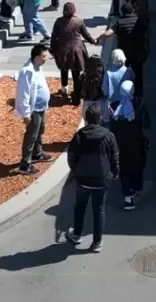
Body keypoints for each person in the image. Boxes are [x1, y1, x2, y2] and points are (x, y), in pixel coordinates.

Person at [64, 104, 118, 252]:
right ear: (100, 119)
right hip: (101, 180)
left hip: (82, 180)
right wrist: (114, 173)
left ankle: (76, 234)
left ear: (86, 119)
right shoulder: (108, 136)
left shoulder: (79, 136)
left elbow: (71, 158)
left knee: (80, 207)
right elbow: (114, 157)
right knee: (99, 209)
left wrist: (76, 171)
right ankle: (97, 242)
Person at [14, 43, 53, 175]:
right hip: (33, 110)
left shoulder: (38, 68)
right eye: (43, 56)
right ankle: (25, 164)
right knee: (31, 135)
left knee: (40, 130)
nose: (45, 58)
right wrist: (26, 114)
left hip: (41, 107)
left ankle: (37, 153)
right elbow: (23, 94)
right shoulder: (27, 72)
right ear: (36, 57)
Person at [51, 2, 98, 104]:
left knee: (64, 69)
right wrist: (93, 41)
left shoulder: (58, 21)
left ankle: (64, 90)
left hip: (63, 50)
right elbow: (86, 34)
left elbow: (54, 36)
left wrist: (52, 49)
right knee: (76, 74)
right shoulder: (78, 21)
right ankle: (76, 98)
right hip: (77, 50)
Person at [110, 80, 147, 210]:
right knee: (137, 167)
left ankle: (128, 198)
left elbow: (111, 126)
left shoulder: (114, 107)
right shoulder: (139, 106)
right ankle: (136, 187)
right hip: (136, 144)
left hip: (120, 146)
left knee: (124, 172)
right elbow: (147, 124)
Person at [101, 1, 148, 98]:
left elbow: (108, 33)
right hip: (138, 52)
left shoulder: (119, 23)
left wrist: (98, 39)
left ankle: (124, 92)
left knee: (124, 73)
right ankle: (138, 94)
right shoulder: (139, 20)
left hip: (125, 53)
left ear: (122, 12)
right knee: (138, 73)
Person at [102, 48, 134, 125]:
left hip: (113, 106)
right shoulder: (129, 71)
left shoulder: (108, 74)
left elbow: (105, 91)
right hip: (127, 103)